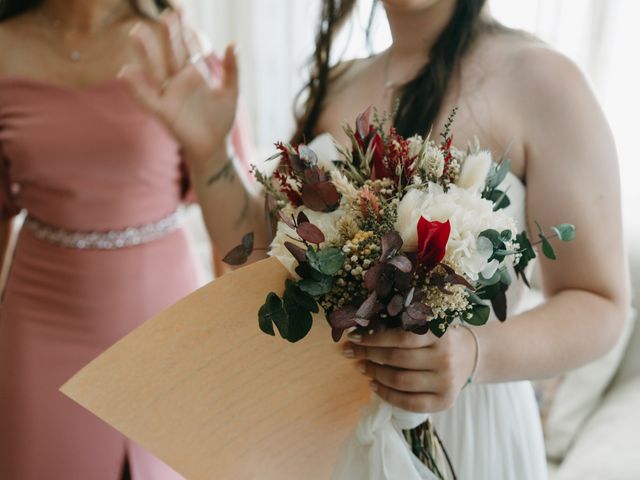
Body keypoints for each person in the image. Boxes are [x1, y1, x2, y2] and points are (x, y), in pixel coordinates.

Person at [123, 0, 630, 478]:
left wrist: (475, 353)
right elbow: (259, 259)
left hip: (465, 432)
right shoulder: (341, 83)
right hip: (326, 428)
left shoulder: (544, 82)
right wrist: (210, 153)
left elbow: (601, 302)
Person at [0, 0, 264, 479]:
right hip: (35, 331)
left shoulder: (174, 44)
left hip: (163, 329)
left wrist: (235, 357)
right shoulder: (4, 46)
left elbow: (232, 227)